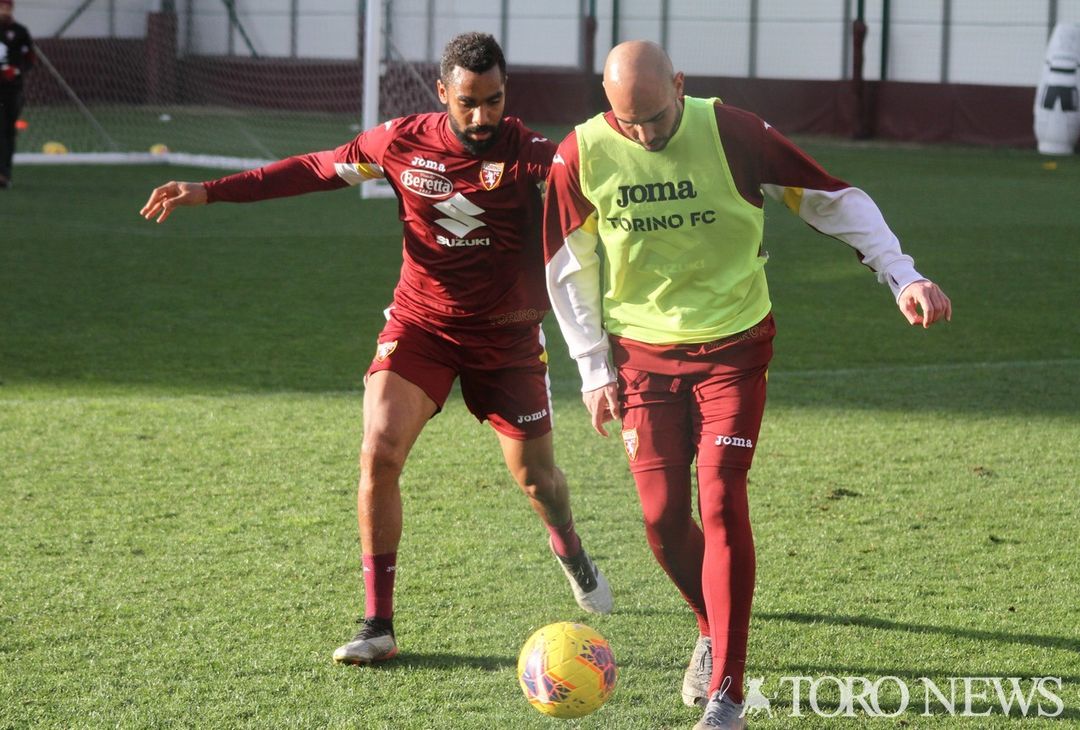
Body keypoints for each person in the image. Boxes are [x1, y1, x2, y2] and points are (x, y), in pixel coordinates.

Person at [140, 32, 612, 665]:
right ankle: (377, 624)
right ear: (442, 92)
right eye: (468, 102)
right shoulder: (400, 142)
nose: (481, 117)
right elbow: (316, 168)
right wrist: (212, 189)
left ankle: (569, 548)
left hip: (508, 342)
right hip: (421, 328)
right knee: (379, 453)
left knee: (539, 483)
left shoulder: (534, 157)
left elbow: (596, 223)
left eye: (494, 101)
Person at [543, 40, 951, 730]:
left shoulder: (734, 131)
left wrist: (902, 273)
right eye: (629, 121)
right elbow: (565, 263)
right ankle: (711, 625)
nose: (646, 133)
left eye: (656, 115)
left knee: (722, 496)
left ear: (680, 83)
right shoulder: (580, 154)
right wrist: (590, 368)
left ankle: (728, 692)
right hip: (642, 356)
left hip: (735, 346)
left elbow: (829, 198)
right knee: (663, 517)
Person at [0, 0, 34, 189]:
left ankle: (5, 174)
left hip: (12, 90)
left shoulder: (19, 32)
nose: (4, 10)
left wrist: (17, 71)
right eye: (1, 7)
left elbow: (30, 59)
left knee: (8, 131)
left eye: (7, 7)